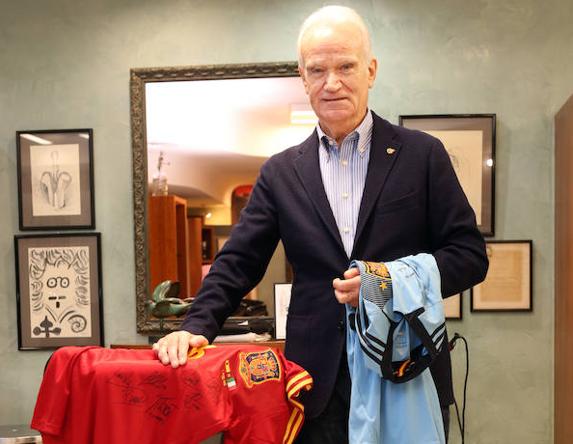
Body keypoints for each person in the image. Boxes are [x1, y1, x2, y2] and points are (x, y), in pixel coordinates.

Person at [154, 5, 488, 443]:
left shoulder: (422, 155)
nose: (332, 83)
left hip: (405, 369)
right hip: (315, 383)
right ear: (303, 77)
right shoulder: (280, 172)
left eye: (346, 66)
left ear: (370, 70)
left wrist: (387, 280)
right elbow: (239, 261)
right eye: (318, 70)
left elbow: (468, 256)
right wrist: (195, 327)